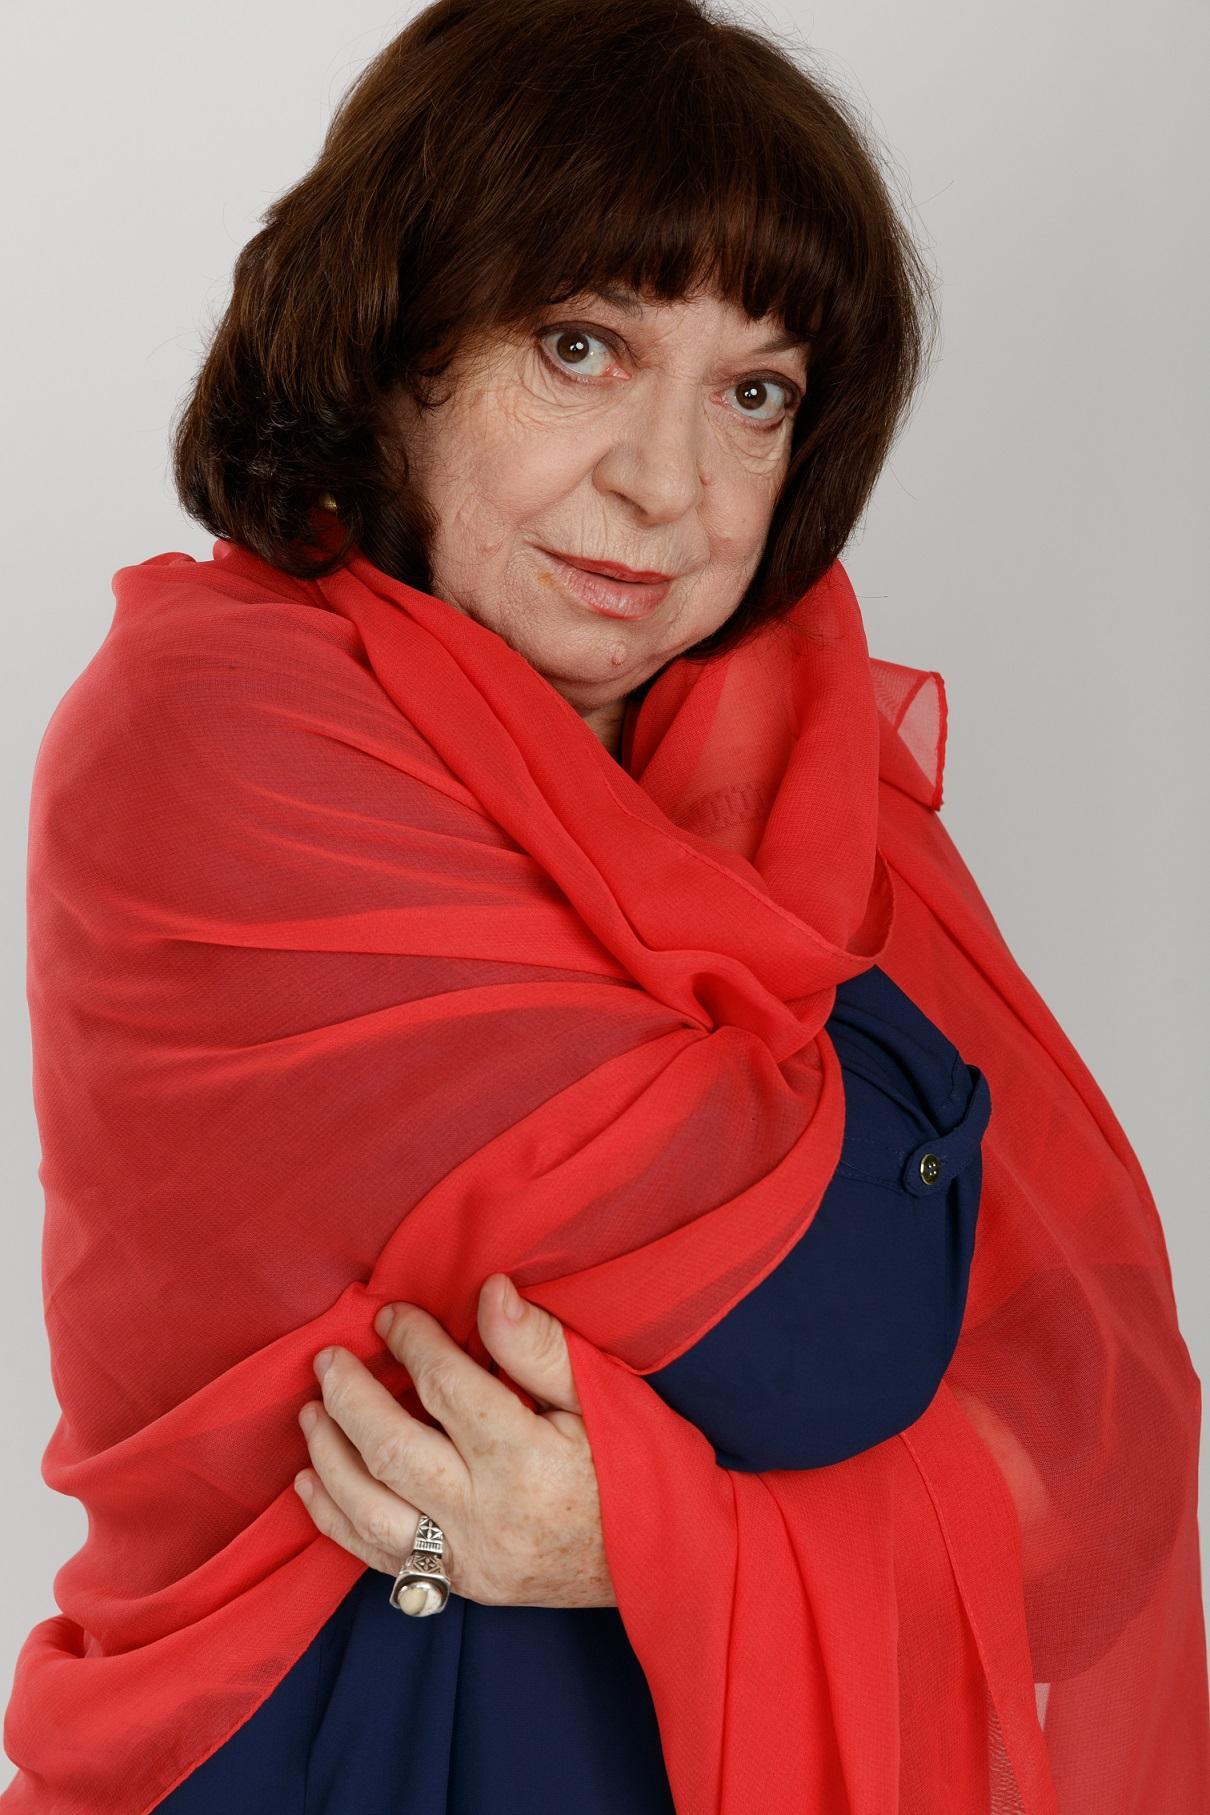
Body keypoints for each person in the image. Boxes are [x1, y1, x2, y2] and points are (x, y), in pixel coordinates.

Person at [4, 1, 1206, 1811]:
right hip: (312, 1750)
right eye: (580, 347)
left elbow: (1093, 1470)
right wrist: (713, 1496)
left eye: (753, 393)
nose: (667, 486)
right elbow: (842, 1310)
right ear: (394, 345)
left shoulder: (782, 767)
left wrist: (629, 1531)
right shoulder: (221, 729)